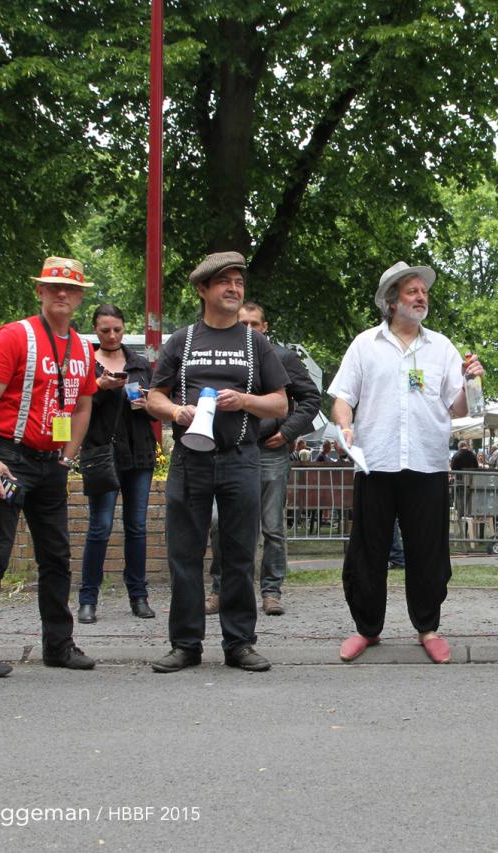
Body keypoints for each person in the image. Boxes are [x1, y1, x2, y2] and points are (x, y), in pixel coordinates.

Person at [329, 260, 485, 664]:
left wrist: (471, 382)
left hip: (427, 463)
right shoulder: (365, 344)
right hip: (375, 462)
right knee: (368, 550)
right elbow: (343, 397)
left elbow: (457, 407)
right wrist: (345, 427)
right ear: (391, 300)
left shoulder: (442, 348)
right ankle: (367, 628)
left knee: (429, 551)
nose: (421, 297)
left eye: (424, 292)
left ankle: (428, 627)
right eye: (413, 291)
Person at [146, 252, 288, 674]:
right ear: (203, 290)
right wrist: (176, 413)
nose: (234, 288)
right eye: (224, 282)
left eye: (238, 282)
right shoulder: (181, 340)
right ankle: (186, 644)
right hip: (190, 461)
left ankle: (239, 643)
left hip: (242, 459)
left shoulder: (255, 342)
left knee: (241, 553)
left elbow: (280, 401)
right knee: (184, 555)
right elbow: (154, 396)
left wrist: (244, 400)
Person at [0, 256, 99, 678]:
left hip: (50, 463)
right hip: (11, 457)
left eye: (70, 289)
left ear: (79, 297)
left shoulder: (81, 346)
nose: (61, 294)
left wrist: (68, 454)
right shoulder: (14, 336)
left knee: (56, 556)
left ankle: (58, 644)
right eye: (53, 286)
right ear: (39, 291)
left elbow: (84, 403)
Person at [206, 301, 320, 617]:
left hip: (270, 452)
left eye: (254, 323)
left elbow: (310, 398)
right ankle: (220, 589)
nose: (248, 328)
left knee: (272, 527)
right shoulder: (224, 356)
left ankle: (271, 591)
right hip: (231, 451)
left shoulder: (282, 358)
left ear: (265, 327)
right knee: (220, 523)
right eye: (243, 322)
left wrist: (287, 432)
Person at [76, 304, 158, 624]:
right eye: (104, 330)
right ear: (95, 330)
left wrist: (147, 402)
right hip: (101, 453)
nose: (111, 335)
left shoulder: (138, 363)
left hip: (139, 454)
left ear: (125, 328)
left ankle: (139, 596)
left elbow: (156, 410)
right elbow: (74, 406)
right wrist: (99, 387)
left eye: (117, 330)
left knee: (136, 528)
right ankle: (87, 600)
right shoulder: (86, 364)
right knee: (100, 527)